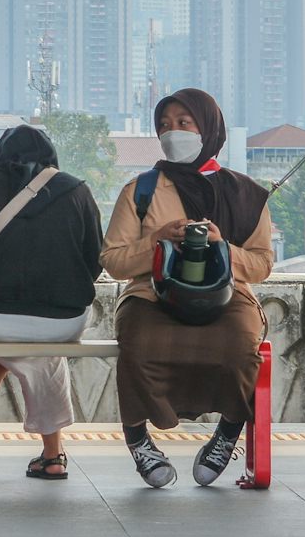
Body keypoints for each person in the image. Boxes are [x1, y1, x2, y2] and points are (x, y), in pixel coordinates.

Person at [101, 88, 274, 489]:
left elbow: (263, 262)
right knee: (138, 343)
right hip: (152, 294)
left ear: (208, 128)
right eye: (164, 125)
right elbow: (112, 259)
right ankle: (139, 438)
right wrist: (157, 242)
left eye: (184, 123)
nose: (171, 132)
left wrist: (223, 248)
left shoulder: (246, 194)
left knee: (239, 345)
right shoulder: (140, 191)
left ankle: (228, 432)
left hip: (226, 293)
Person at [0, 123, 104, 480]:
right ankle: (52, 454)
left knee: (23, 334)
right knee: (46, 350)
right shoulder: (77, 191)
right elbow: (95, 262)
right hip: (64, 321)